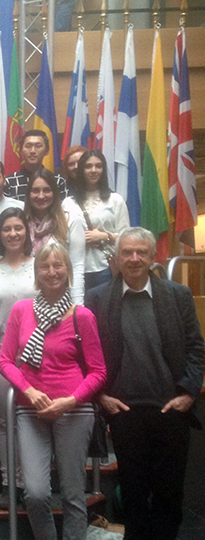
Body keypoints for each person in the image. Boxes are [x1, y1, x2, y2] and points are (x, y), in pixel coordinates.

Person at [85, 227, 205, 540]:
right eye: (127, 252)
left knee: (169, 495)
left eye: (141, 252)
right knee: (134, 496)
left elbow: (195, 347)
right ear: (117, 257)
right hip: (124, 412)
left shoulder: (177, 295)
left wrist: (189, 393)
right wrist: (101, 397)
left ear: (152, 257)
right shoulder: (97, 298)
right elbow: (89, 354)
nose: (134, 259)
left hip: (171, 409)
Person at [0, 243, 107, 540]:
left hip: (73, 410)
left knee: (73, 493)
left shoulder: (82, 316)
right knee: (34, 492)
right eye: (45, 266)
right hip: (29, 409)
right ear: (36, 273)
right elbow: (6, 362)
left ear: (68, 271)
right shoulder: (21, 310)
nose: (52, 272)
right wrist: (29, 391)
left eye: (58, 265)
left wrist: (70, 401)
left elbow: (99, 372)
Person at [0, 208, 36, 509]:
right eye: (7, 229)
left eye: (18, 228)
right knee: (5, 421)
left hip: (39, 351)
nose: (13, 234)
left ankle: (34, 482)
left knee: (35, 416)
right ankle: (9, 483)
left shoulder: (42, 266)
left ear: (26, 232)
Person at [63, 149, 129, 289]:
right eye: (88, 166)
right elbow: (62, 237)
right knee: (79, 310)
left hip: (104, 268)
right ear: (81, 170)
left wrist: (105, 236)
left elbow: (126, 239)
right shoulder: (68, 203)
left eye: (98, 166)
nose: (94, 170)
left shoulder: (115, 200)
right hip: (74, 268)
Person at [24, 171, 86, 304]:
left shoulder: (71, 221)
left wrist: (77, 306)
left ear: (55, 194)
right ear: (28, 195)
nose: (41, 196)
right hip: (27, 299)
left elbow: (76, 266)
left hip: (62, 301)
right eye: (35, 191)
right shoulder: (21, 224)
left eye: (47, 190)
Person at [5, 130, 68, 201]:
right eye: (28, 146)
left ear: (47, 151)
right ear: (21, 151)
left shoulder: (58, 181)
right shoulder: (9, 182)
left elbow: (62, 210)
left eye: (38, 146)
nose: (32, 151)